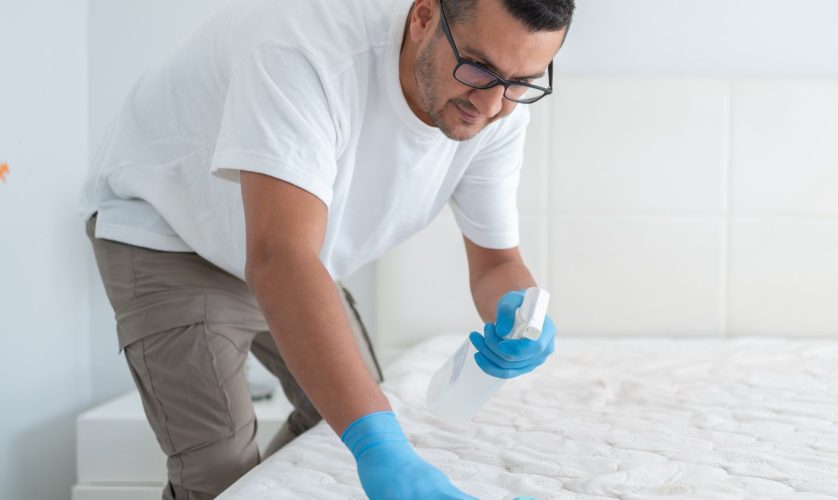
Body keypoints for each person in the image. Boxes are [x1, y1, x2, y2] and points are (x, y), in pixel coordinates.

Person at [81, 0, 573, 497]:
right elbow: (279, 259)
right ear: (424, 17)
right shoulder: (302, 47)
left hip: (294, 251)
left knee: (333, 434)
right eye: (478, 67)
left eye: (520, 82)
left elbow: (496, 263)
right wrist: (379, 445)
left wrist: (518, 315)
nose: (490, 105)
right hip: (174, 232)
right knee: (221, 473)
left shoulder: (500, 107)